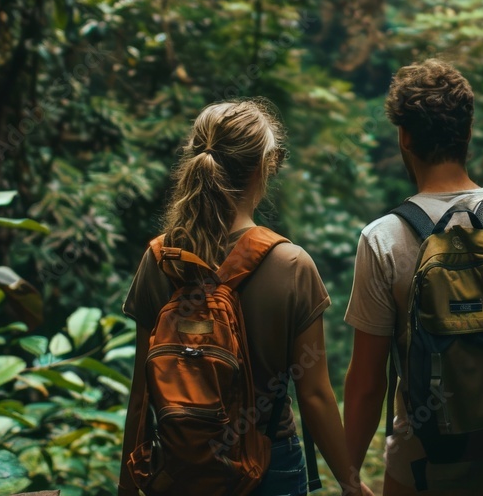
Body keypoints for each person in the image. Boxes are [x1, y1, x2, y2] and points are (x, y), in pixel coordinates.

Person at [342, 60, 483, 496]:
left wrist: (350, 477)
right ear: (468, 132)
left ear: (405, 136)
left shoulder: (382, 240)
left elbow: (368, 382)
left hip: (417, 472)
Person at [118, 99, 371, 496]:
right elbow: (315, 395)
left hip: (182, 468)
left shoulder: (160, 260)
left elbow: (141, 393)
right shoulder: (291, 265)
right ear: (263, 167)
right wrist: (350, 483)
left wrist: (128, 485)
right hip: (269, 464)